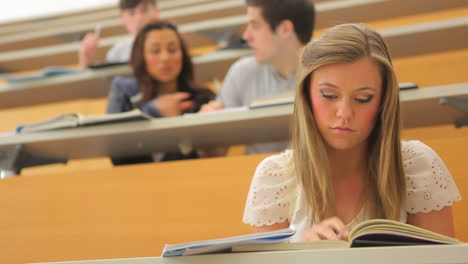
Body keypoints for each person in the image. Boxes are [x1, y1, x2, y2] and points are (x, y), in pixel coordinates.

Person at [242, 23, 462, 242]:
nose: (344, 113)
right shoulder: (275, 177)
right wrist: (303, 255)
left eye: (363, 98)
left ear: (383, 102)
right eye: (328, 95)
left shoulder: (416, 166)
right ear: (306, 95)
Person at [200, 0, 315, 155]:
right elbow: (216, 152)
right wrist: (208, 129)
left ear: (285, 29)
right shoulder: (242, 71)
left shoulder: (328, 73)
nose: (246, 36)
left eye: (255, 26)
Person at [107, 20, 215, 165]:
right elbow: (117, 155)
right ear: (141, 56)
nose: (165, 58)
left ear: (182, 54)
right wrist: (153, 112)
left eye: (172, 50)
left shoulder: (203, 98)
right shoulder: (124, 91)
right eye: (155, 51)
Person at [79, 0, 160, 68]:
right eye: (131, 13)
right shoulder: (118, 51)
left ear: (157, 12)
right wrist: (86, 60)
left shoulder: (171, 40)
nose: (139, 18)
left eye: (144, 10)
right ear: (122, 18)